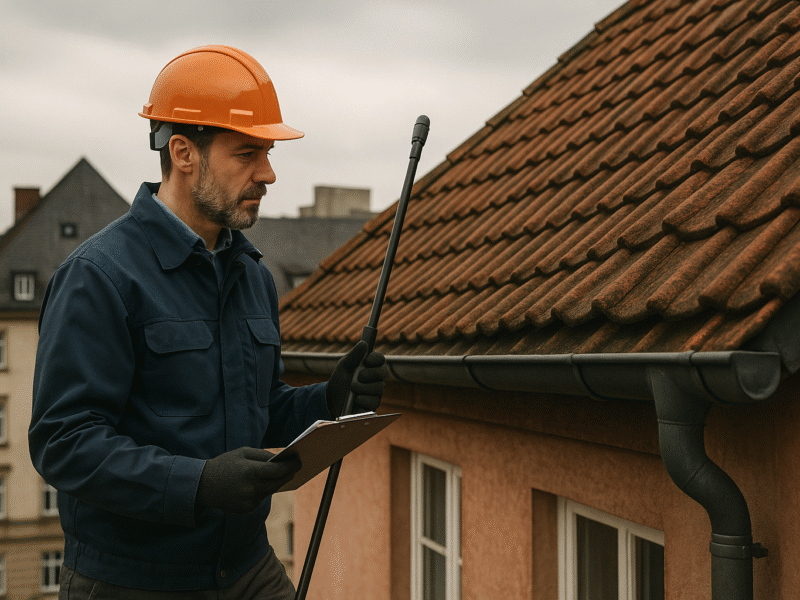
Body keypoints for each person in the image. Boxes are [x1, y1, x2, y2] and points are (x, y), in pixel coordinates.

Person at [28, 45, 389, 599]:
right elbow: (64, 443)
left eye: (267, 152)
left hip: (247, 568)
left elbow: (259, 411)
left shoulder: (252, 276)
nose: (268, 173)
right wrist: (196, 483)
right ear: (183, 152)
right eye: (248, 152)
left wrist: (328, 402)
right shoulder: (99, 276)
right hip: (133, 582)